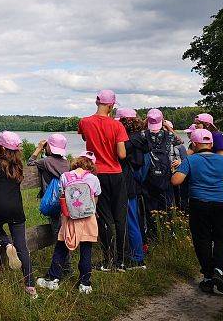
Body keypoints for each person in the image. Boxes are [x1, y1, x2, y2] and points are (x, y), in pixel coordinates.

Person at [171, 129, 223, 294]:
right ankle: (218, 269)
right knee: (222, 237)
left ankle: (208, 277)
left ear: (194, 144)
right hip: (221, 204)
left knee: (202, 239)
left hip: (199, 204)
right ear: (210, 144)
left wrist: (177, 169)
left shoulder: (191, 159)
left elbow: (176, 181)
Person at [0, 131, 37, 299]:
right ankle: (30, 286)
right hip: (16, 208)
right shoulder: (18, 164)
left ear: (1, 149)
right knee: (23, 248)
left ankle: (5, 244)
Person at [77, 89, 129, 271]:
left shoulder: (85, 122)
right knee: (120, 218)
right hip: (115, 172)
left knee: (105, 218)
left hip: (96, 175)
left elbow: (84, 137)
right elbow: (122, 154)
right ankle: (122, 261)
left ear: (96, 102)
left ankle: (108, 259)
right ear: (112, 105)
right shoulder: (117, 126)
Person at [36, 151, 101, 293]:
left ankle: (53, 279)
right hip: (88, 219)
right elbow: (95, 199)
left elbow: (62, 196)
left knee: (61, 247)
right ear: (91, 164)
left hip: (69, 218)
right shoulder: (93, 179)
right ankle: (85, 283)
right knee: (86, 250)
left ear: (78, 161)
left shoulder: (65, 176)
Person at [27, 133, 72, 282]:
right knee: (64, 232)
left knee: (58, 234)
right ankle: (66, 267)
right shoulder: (66, 163)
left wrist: (38, 148)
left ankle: (64, 268)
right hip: (67, 202)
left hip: (55, 204)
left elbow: (30, 163)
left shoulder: (46, 162)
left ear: (50, 148)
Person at [140, 108, 181, 241]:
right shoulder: (169, 136)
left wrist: (144, 123)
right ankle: (168, 234)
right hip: (165, 176)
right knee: (167, 207)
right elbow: (180, 141)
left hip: (148, 177)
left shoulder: (142, 135)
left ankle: (152, 236)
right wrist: (167, 126)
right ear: (161, 120)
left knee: (149, 208)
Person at [117, 111, 147, 269]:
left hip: (126, 184)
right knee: (134, 219)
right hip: (135, 184)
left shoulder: (127, 141)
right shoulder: (141, 138)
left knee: (130, 221)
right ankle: (136, 253)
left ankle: (136, 257)